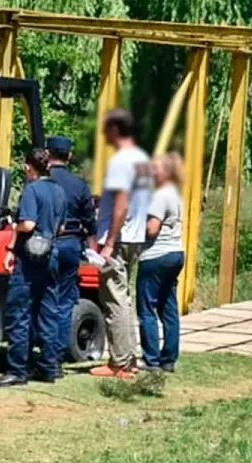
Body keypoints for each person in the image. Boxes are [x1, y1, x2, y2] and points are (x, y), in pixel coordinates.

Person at [0, 148, 67, 388]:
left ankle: (17, 370)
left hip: (30, 258)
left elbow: (29, 223)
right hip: (52, 254)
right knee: (48, 312)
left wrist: (15, 230)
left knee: (20, 313)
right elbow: (61, 228)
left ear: (28, 166)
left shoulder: (32, 190)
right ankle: (49, 366)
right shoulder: (59, 191)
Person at [90, 108, 152, 379]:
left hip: (118, 238)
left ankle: (119, 362)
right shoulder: (142, 160)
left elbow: (122, 204)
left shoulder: (120, 161)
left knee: (113, 300)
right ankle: (130, 358)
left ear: (115, 130)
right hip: (135, 237)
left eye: (105, 129)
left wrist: (109, 242)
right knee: (125, 299)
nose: (103, 134)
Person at [44, 136, 97, 373]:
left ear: (47, 154)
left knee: (42, 300)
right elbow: (90, 221)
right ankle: (55, 359)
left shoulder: (39, 182)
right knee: (65, 303)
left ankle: (39, 354)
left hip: (44, 245)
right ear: (69, 156)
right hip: (71, 245)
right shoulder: (79, 186)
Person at [137, 153, 185, 373]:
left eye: (155, 168)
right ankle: (169, 358)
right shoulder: (176, 195)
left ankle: (151, 359)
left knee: (146, 308)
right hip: (175, 252)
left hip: (155, 255)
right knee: (169, 307)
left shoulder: (159, 196)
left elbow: (152, 228)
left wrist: (137, 232)